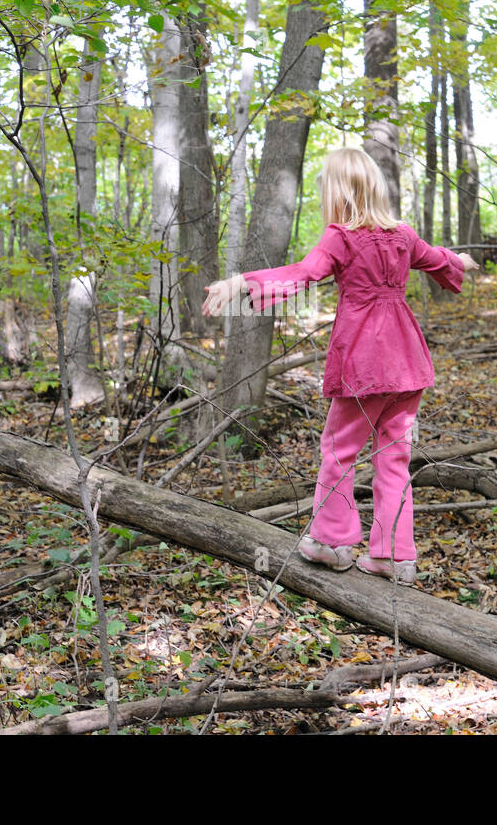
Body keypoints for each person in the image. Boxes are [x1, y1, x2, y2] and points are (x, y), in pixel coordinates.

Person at [202, 147, 478, 585]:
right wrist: (459, 260)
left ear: (337, 191)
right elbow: (436, 257)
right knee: (394, 458)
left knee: (340, 451)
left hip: (365, 363)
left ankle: (332, 542)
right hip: (406, 361)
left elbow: (303, 273)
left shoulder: (341, 236)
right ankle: (394, 556)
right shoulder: (402, 235)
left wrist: (243, 282)